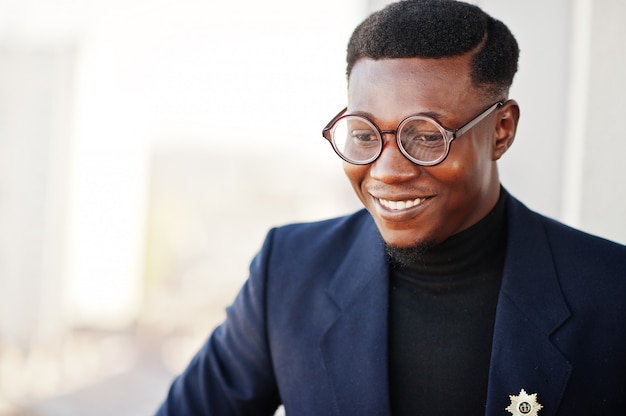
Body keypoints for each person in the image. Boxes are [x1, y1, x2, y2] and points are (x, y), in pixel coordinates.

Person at [156, 1, 626, 415]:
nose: (387, 172)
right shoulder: (289, 272)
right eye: (363, 135)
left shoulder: (611, 291)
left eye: (425, 136)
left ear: (501, 130)